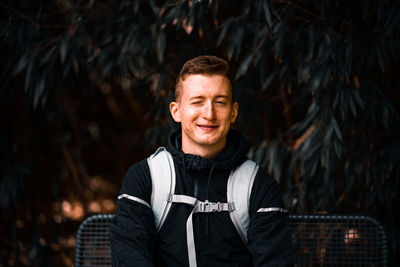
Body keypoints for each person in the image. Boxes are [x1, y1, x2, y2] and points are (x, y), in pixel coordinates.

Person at [109, 55, 294, 266]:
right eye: (197, 102)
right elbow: (129, 257)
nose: (209, 113)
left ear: (233, 113)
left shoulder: (258, 185)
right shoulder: (145, 178)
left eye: (220, 102)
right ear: (175, 111)